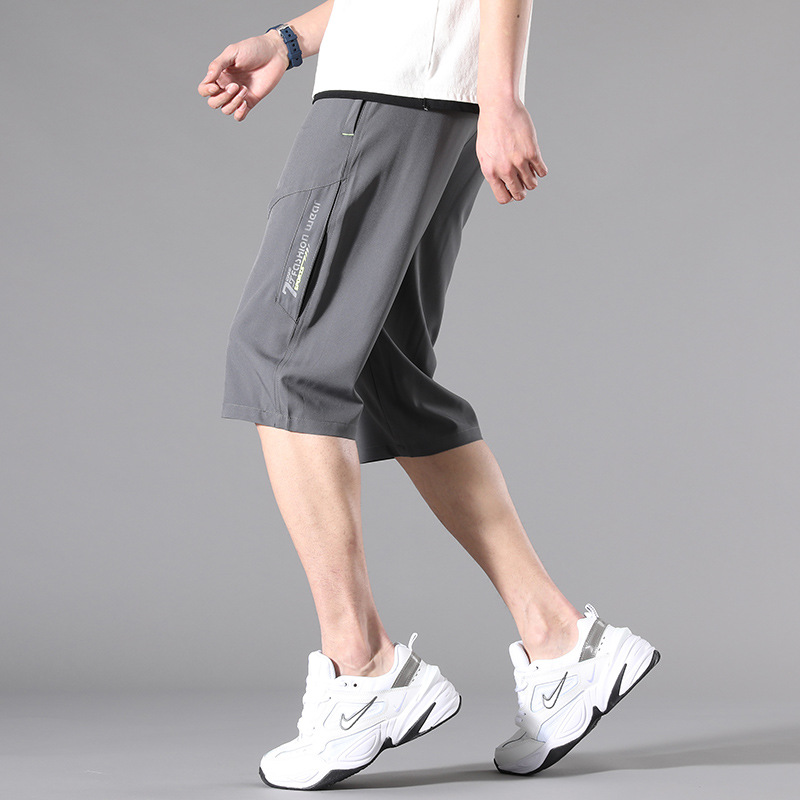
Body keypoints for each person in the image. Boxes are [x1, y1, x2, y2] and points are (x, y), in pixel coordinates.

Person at [198, 0, 659, 791]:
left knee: (282, 354)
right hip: (420, 84)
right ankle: (562, 644)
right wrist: (288, 41)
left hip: (394, 87)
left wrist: (501, 96)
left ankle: (363, 669)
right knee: (383, 372)